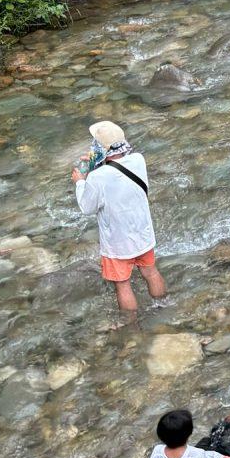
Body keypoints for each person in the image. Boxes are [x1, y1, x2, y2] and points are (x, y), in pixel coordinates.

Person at [73, 120, 166, 318]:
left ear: (100, 148)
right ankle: (163, 307)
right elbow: (116, 169)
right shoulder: (138, 160)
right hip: (143, 234)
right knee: (150, 272)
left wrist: (80, 182)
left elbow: (87, 207)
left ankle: (131, 325)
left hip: (117, 244)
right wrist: (95, 163)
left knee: (123, 284)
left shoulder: (98, 177)